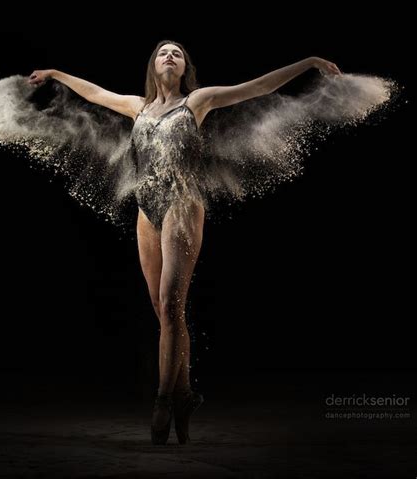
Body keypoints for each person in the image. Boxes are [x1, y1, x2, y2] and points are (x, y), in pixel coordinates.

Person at [28, 40, 340, 445]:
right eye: (163, 52)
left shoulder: (198, 101)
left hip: (182, 204)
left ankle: (162, 400)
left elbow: (258, 87)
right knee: (163, 311)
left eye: (177, 53)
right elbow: (94, 93)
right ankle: (184, 395)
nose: (170, 56)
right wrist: (55, 74)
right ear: (152, 66)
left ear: (186, 66)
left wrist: (310, 61)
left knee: (173, 305)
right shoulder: (136, 106)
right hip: (147, 210)